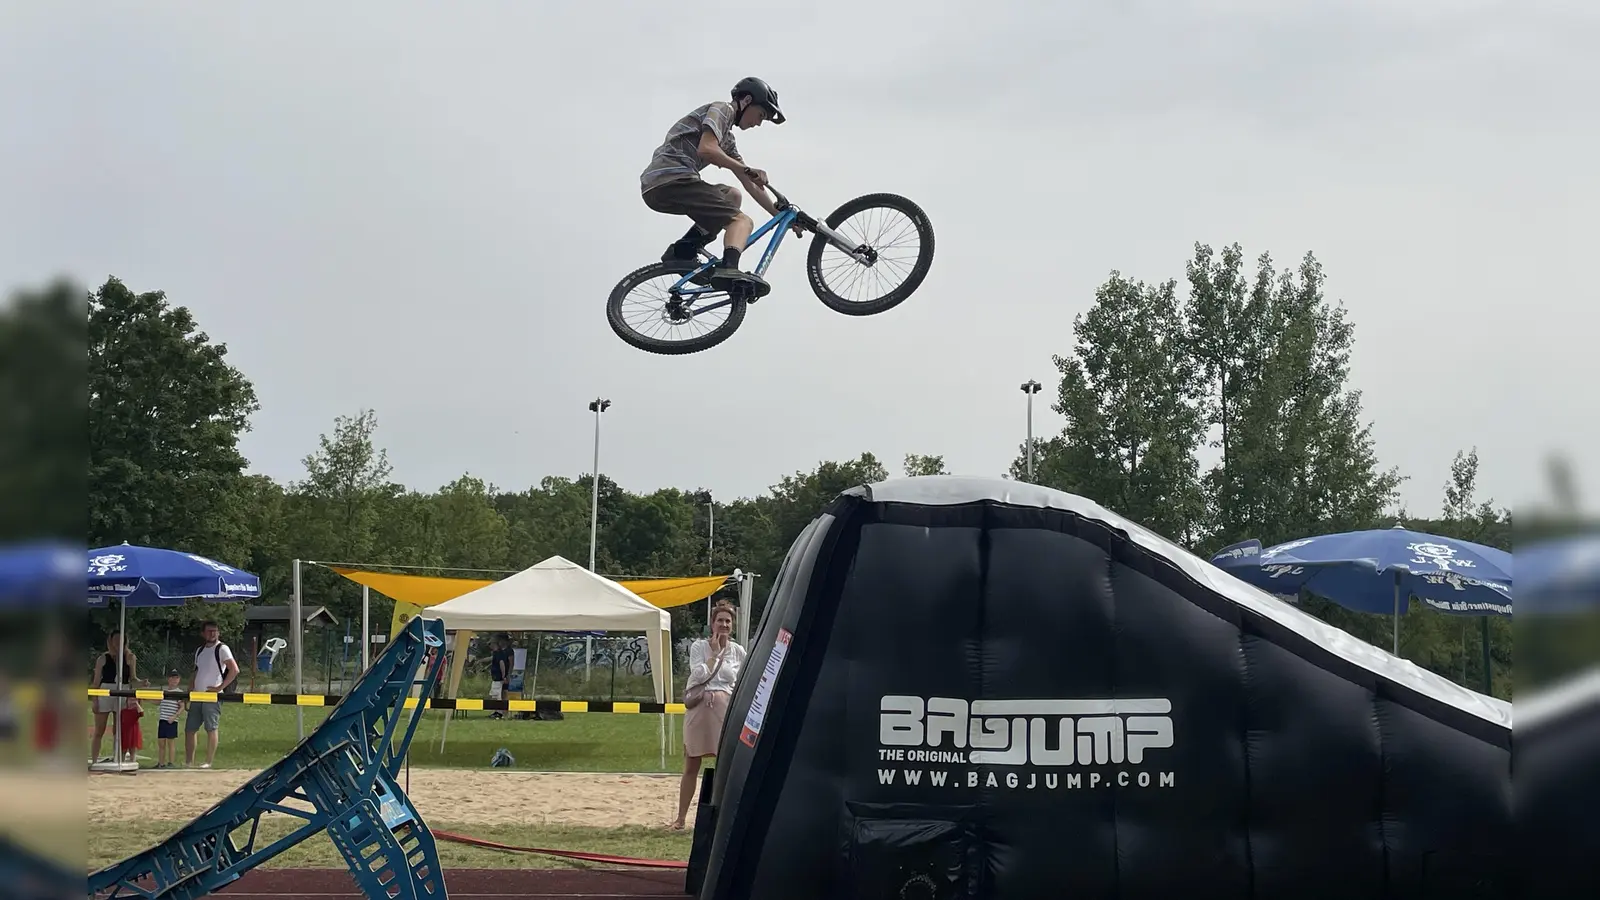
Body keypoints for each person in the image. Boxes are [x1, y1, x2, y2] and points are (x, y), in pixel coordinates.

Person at [639, 77, 801, 298]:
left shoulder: (728, 141)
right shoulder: (722, 109)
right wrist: (747, 169)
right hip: (672, 178)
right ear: (746, 101)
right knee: (741, 221)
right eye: (760, 115)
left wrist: (781, 217)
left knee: (732, 196)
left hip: (662, 186)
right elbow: (707, 149)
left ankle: (683, 250)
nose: (758, 123)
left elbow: (750, 185)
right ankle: (729, 269)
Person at [672, 599, 745, 830]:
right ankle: (681, 818)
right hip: (699, 708)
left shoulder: (738, 651)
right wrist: (713, 654)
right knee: (691, 763)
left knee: (725, 764)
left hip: (724, 710)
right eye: (720, 620)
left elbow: (738, 681)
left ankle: (723, 819)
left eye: (728, 621)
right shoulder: (699, 647)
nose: (724, 624)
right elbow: (697, 675)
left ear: (732, 625)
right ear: (712, 623)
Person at [185, 620, 238, 769]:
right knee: (190, 729)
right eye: (209, 631)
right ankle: (189, 762)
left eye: (215, 631)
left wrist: (220, 687)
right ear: (203, 633)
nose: (212, 633)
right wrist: (189, 691)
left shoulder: (222, 648)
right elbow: (196, 671)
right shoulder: (200, 650)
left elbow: (234, 669)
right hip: (197, 695)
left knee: (211, 728)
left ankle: (208, 762)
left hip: (212, 696)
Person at [89, 630, 140, 763]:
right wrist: (95, 700)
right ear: (110, 641)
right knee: (99, 729)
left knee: (119, 730)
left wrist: (141, 683)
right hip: (105, 692)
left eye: (121, 640)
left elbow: (133, 678)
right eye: (115, 640)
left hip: (123, 691)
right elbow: (95, 682)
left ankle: (117, 758)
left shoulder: (130, 657)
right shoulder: (102, 658)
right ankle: (94, 760)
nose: (118, 643)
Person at [154, 668, 185, 769]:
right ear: (169, 679)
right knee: (161, 742)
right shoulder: (164, 692)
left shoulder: (179, 693)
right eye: (172, 678)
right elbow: (158, 702)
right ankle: (161, 763)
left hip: (172, 720)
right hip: (163, 719)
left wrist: (175, 716)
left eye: (177, 678)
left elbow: (182, 707)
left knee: (170, 743)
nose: (174, 680)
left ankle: (171, 763)